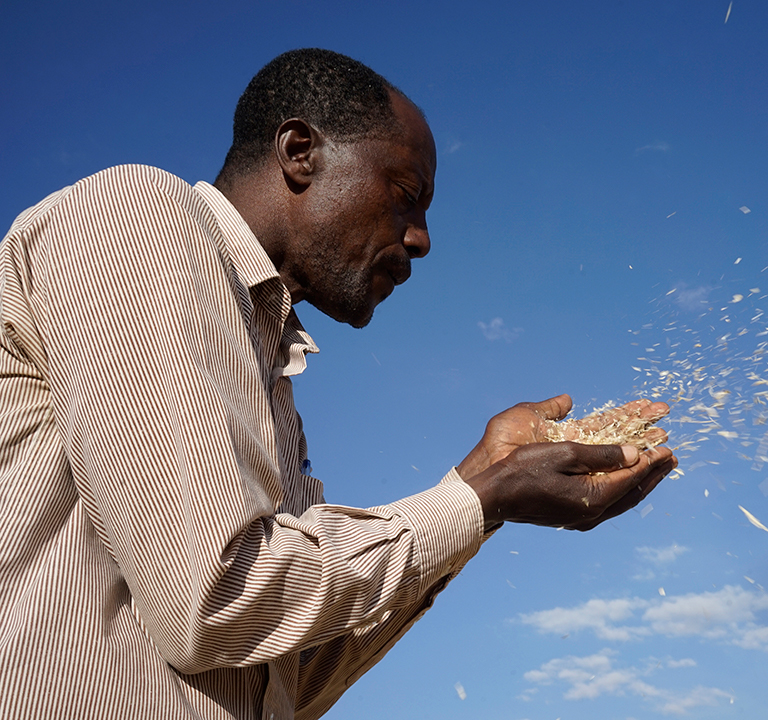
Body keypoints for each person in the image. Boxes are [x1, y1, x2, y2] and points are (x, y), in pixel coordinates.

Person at [0, 49, 677, 719]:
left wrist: (484, 491)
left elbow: (287, 681)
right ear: (300, 152)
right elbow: (207, 601)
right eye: (407, 196)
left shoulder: (274, 391)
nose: (421, 240)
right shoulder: (137, 215)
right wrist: (475, 500)